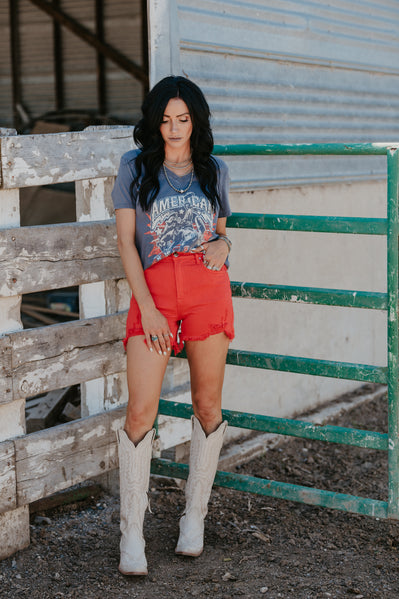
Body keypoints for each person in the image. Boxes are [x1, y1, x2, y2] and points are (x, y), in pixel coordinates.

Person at [111, 75, 234, 576]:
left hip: (207, 293)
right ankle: (131, 535)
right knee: (141, 412)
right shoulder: (135, 168)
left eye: (183, 119)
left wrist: (226, 246)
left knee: (207, 404)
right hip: (154, 294)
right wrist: (150, 307)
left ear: (196, 121)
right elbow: (125, 243)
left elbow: (222, 236)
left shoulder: (214, 170)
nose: (174, 128)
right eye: (165, 120)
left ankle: (193, 519)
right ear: (154, 122)